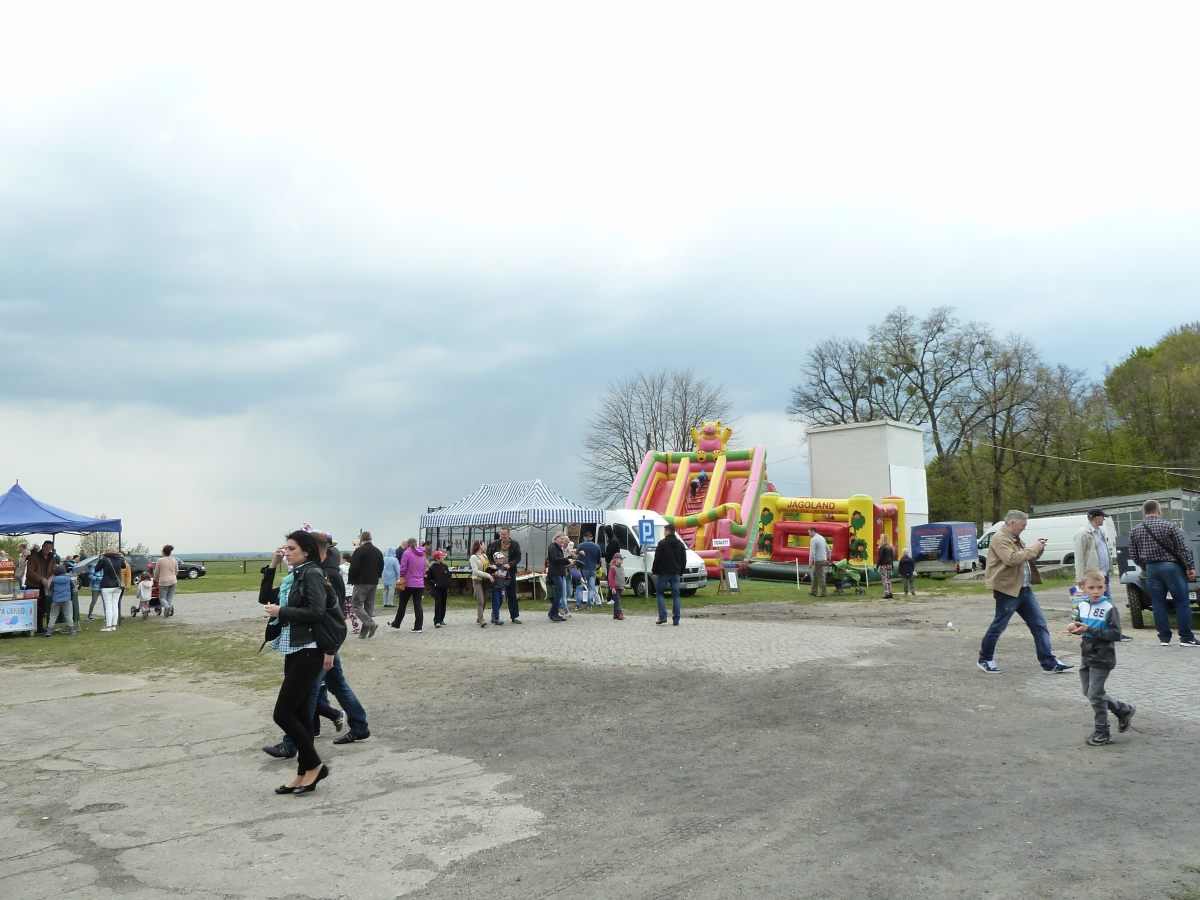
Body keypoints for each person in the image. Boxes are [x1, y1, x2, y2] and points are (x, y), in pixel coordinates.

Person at [261, 530, 342, 793]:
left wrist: (282, 611)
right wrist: (272, 565)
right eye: (285, 548)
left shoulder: (312, 573)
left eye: (291, 548)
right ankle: (303, 773)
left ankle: (316, 765)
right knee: (301, 714)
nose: (286, 552)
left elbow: (317, 612)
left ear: (306, 551)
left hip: (310, 650)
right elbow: (265, 597)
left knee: (282, 713)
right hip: (295, 648)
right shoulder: (296, 575)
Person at [977, 510, 1073, 675]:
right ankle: (985, 659)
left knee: (1040, 625)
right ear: (1012, 523)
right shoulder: (1000, 538)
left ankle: (1049, 663)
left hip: (1025, 589)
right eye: (1023, 525)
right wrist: (1034, 548)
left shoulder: (1015, 537)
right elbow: (1012, 559)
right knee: (998, 626)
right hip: (1007, 590)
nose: (1024, 528)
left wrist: (1039, 548)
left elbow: (1026, 557)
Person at [1066, 567, 1136, 745]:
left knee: (1095, 694)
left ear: (1105, 587)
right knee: (1088, 692)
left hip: (1103, 656)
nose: (1096, 591)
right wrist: (1075, 627)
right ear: (1083, 588)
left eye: (1099, 587)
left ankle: (1102, 731)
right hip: (1086, 654)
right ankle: (1123, 710)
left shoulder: (1109, 608)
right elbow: (1080, 624)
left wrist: (1089, 629)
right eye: (1091, 588)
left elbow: (1116, 634)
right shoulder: (1082, 606)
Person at [1129, 499, 1198, 647]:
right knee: (1181, 602)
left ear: (1144, 512)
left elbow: (1134, 555)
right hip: (1171, 568)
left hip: (1151, 570)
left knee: (1158, 604)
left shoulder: (1135, 530)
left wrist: (1146, 566)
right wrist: (1190, 567)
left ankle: (1164, 638)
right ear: (1159, 510)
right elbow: (1183, 549)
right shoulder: (1169, 526)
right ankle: (1186, 638)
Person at [347, 530, 384, 639]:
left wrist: (352, 579)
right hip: (374, 581)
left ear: (361, 539)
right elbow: (381, 566)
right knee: (369, 607)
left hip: (361, 582)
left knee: (356, 605)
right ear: (371, 539)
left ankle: (371, 623)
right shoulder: (378, 552)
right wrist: (377, 576)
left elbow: (353, 567)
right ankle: (363, 633)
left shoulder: (359, 551)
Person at [652, 522, 687, 625]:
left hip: (664, 572)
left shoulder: (662, 543)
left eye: (664, 531)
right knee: (676, 596)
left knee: (659, 593)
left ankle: (662, 616)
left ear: (668, 531)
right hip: (675, 573)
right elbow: (683, 560)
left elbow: (657, 558)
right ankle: (676, 618)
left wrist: (655, 571)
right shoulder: (680, 544)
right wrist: (681, 571)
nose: (664, 533)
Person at [486, 527, 522, 623]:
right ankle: (495, 615)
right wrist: (492, 564)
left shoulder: (515, 544)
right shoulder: (495, 544)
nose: (502, 536)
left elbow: (518, 557)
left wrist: (510, 564)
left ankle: (515, 616)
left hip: (509, 572)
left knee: (512, 594)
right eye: (501, 534)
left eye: (504, 534)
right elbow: (488, 554)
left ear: (509, 534)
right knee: (497, 596)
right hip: (497, 573)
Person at [1072, 509, 1113, 593]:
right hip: (1092, 575)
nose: (1104, 519)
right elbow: (1079, 557)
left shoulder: (1101, 532)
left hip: (1104, 573)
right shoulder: (1083, 533)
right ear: (1097, 518)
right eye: (1103, 517)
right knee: (1096, 597)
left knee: (1106, 598)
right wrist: (1080, 578)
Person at [390, 538, 426, 632]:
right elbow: (424, 568)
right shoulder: (422, 554)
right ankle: (418, 627)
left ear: (408, 544)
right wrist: (420, 577)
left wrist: (402, 577)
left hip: (408, 583)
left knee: (403, 604)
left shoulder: (407, 553)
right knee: (418, 605)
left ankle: (397, 623)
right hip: (419, 583)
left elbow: (403, 567)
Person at [26, 541, 58, 633]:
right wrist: (41, 579)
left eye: (49, 547)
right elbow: (30, 571)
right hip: (32, 585)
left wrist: (51, 577)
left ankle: (39, 626)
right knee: (31, 607)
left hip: (44, 587)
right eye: (46, 547)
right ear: (42, 546)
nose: (47, 549)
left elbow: (54, 570)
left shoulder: (52, 558)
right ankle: (28, 627)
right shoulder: (34, 557)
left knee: (42, 606)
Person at [97, 548, 125, 632]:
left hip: (107, 585)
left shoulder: (105, 560)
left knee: (108, 606)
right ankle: (113, 625)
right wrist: (121, 557)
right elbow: (123, 566)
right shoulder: (119, 559)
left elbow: (97, 569)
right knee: (115, 605)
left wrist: (101, 558)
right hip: (117, 585)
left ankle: (108, 626)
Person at [546, 533, 571, 622]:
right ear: (556, 538)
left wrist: (567, 561)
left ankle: (554, 613)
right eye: (561, 539)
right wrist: (566, 560)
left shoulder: (558, 547)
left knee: (559, 593)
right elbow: (554, 559)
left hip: (559, 572)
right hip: (555, 572)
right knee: (560, 593)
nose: (562, 541)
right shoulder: (553, 547)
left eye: (563, 539)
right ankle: (552, 613)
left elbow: (560, 560)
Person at [45, 565, 76, 636]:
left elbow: (50, 592)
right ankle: (71, 630)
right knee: (68, 615)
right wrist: (71, 598)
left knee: (53, 615)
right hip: (67, 600)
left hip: (55, 600)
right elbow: (73, 590)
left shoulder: (53, 580)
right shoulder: (69, 579)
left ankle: (49, 630)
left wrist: (51, 599)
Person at [469, 540, 493, 627]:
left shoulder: (485, 556)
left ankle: (479, 617)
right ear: (479, 545)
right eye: (483, 545)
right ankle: (481, 619)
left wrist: (492, 567)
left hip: (485, 581)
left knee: (485, 600)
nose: (485, 546)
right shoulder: (473, 557)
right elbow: (475, 571)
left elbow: (487, 566)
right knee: (481, 600)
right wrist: (487, 575)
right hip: (477, 580)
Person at [575, 532, 602, 608]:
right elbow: (599, 559)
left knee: (580, 586)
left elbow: (576, 557)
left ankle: (578, 605)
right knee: (591, 588)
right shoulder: (597, 546)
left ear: (584, 538)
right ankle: (589, 604)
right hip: (593, 569)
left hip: (583, 569)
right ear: (592, 538)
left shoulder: (581, 545)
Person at [154, 544, 179, 617]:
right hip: (173, 581)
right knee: (169, 598)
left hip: (163, 581)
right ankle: (169, 609)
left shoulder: (160, 560)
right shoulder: (174, 560)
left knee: (162, 597)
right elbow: (176, 571)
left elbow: (157, 572)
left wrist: (155, 579)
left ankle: (167, 607)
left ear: (163, 552)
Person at [429, 550, 452, 627]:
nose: (443, 558)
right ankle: (437, 621)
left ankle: (442, 618)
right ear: (437, 558)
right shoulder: (432, 568)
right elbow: (429, 579)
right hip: (437, 589)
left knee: (443, 603)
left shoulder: (445, 566)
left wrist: (448, 583)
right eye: (442, 557)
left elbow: (449, 576)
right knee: (438, 603)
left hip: (444, 588)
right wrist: (434, 584)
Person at [488, 552, 510, 625]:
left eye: (502, 558)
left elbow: (508, 578)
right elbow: (488, 576)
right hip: (494, 589)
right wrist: (492, 585)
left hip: (502, 588)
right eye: (500, 558)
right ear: (495, 559)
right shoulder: (492, 568)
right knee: (496, 603)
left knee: (500, 602)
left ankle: (494, 614)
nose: (501, 560)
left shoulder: (505, 568)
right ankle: (497, 618)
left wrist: (504, 584)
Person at [808, 528, 828, 597]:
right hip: (823, 559)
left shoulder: (813, 540)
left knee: (820, 577)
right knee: (814, 574)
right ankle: (813, 591)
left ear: (813, 531)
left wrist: (810, 561)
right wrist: (829, 556)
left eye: (809, 533)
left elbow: (812, 551)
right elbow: (827, 548)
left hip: (818, 560)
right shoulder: (822, 538)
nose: (809, 534)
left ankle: (823, 593)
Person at [608, 552, 627, 620]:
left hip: (620, 586)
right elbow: (611, 579)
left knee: (617, 601)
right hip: (615, 587)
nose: (622, 560)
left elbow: (622, 577)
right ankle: (619, 613)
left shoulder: (622, 568)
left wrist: (623, 586)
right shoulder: (613, 568)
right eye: (620, 559)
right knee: (617, 600)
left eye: (622, 559)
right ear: (615, 559)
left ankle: (615, 614)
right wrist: (613, 587)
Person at [876, 534, 895, 599]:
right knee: (888, 579)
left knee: (884, 579)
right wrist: (892, 565)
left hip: (884, 565)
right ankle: (890, 592)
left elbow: (880, 557)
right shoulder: (890, 548)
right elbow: (892, 557)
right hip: (889, 564)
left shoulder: (882, 547)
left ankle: (886, 593)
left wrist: (877, 566)